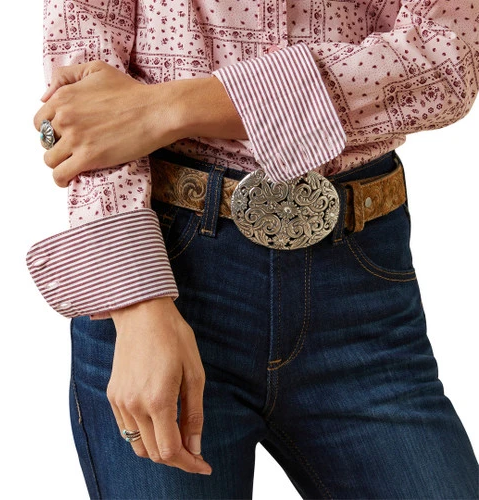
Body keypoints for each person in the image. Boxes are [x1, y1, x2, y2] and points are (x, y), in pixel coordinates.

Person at [27, 0, 478, 498]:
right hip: (168, 275)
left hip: (361, 294)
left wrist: (166, 107)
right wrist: (136, 305)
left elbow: (447, 60)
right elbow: (84, 102)